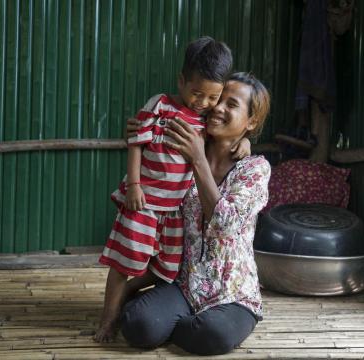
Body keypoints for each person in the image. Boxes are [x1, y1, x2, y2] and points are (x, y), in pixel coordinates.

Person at [95, 37, 251, 342]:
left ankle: (137, 300)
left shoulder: (206, 122)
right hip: (145, 203)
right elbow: (136, 141)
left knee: (167, 266)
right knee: (124, 262)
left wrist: (245, 142)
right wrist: (135, 184)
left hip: (175, 212)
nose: (203, 103)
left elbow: (223, 140)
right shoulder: (161, 105)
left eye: (212, 98)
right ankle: (108, 320)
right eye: (197, 94)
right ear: (181, 81)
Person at [119, 72, 271, 355]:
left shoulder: (254, 170)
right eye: (219, 100)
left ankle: (178, 324)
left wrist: (199, 158)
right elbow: (146, 140)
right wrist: (137, 131)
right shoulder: (182, 151)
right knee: (137, 325)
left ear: (251, 122)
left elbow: (224, 225)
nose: (218, 108)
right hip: (184, 286)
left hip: (233, 295)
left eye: (232, 104)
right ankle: (171, 321)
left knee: (214, 334)